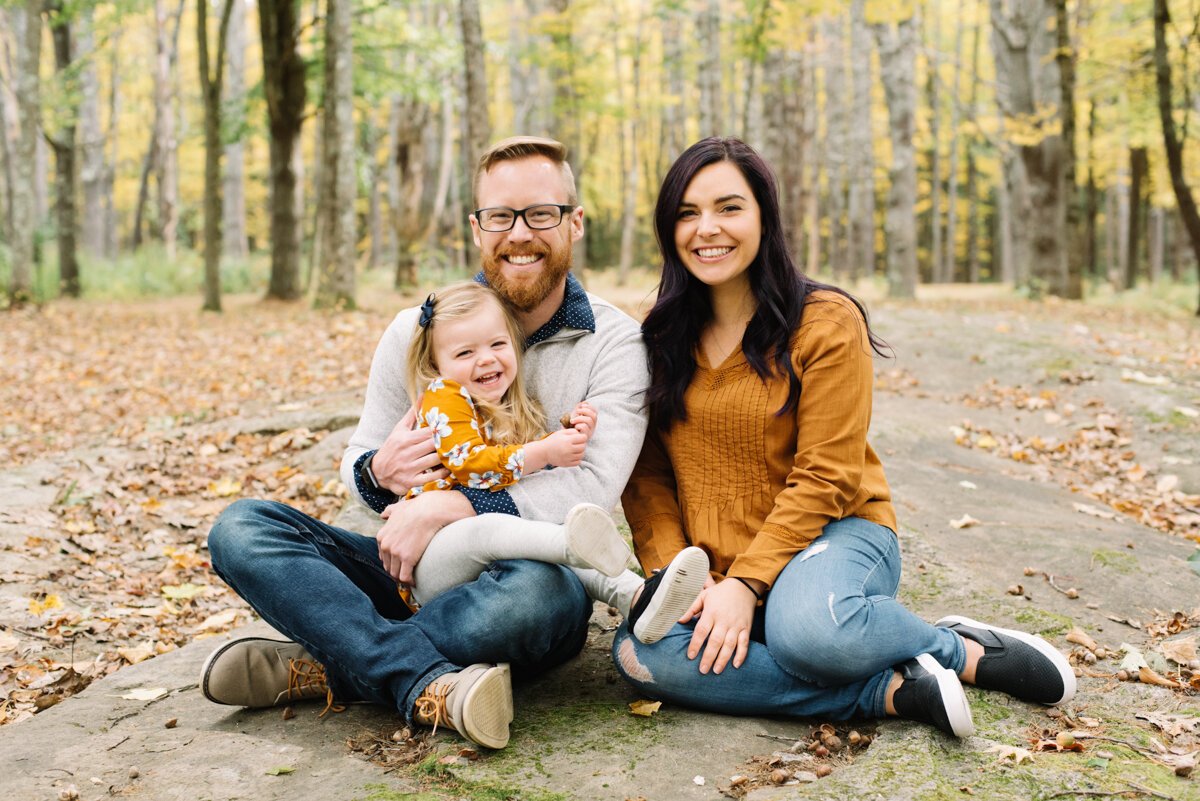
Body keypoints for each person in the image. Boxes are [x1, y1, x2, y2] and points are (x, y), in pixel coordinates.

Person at [200, 136, 655, 750]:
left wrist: (455, 505)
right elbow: (360, 463)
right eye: (501, 216)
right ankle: (416, 678)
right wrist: (379, 471)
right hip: (409, 572)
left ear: (574, 223)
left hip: (525, 577)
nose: (519, 233)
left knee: (538, 597)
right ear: (477, 228)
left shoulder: (615, 343)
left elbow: (592, 488)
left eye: (541, 214)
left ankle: (332, 662)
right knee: (240, 528)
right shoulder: (417, 331)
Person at [612, 137, 1076, 738]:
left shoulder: (824, 321)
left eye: (729, 208)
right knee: (640, 655)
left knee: (811, 635)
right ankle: (893, 691)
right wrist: (680, 577)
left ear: (764, 217)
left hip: (833, 534)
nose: (708, 229)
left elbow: (828, 475)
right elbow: (646, 476)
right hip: (711, 566)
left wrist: (749, 584)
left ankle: (957, 649)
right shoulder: (659, 333)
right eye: (687, 213)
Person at [396, 280, 708, 641]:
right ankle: (581, 548)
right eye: (465, 353)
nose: (485, 358)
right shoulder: (444, 396)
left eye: (498, 344)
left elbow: (511, 468)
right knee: (497, 529)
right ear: (436, 364)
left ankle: (639, 599)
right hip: (429, 554)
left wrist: (564, 435)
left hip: (486, 560)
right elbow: (473, 466)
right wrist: (543, 454)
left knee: (543, 546)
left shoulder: (496, 404)